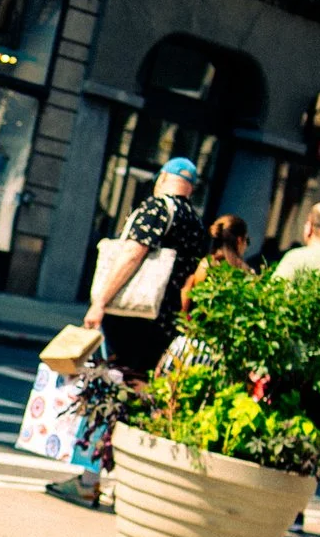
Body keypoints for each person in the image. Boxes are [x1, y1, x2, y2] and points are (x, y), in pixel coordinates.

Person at [83, 157, 209, 378]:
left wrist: (100, 302)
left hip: (135, 313)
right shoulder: (196, 222)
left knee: (118, 376)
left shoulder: (157, 207)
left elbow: (132, 254)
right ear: (191, 188)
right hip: (166, 320)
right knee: (143, 379)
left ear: (162, 178)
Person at [181, 213, 250, 314]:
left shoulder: (207, 264)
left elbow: (194, 298)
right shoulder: (245, 272)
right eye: (247, 240)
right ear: (239, 240)